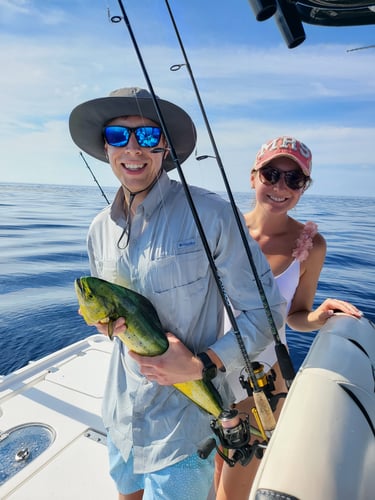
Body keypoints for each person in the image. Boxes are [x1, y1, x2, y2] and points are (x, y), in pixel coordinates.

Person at [69, 87, 286, 500]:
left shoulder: (212, 215)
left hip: (183, 427)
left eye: (148, 136)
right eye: (119, 136)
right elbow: (109, 325)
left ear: (164, 146)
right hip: (120, 416)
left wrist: (203, 362)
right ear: (105, 146)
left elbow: (268, 313)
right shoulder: (99, 228)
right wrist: (103, 325)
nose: (133, 148)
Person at [215, 136, 363, 500]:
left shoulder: (312, 245)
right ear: (253, 177)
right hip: (207, 367)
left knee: (232, 490)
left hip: (261, 383)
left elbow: (295, 316)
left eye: (294, 179)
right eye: (271, 173)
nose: (281, 186)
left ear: (304, 188)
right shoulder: (221, 229)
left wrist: (318, 317)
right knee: (212, 468)